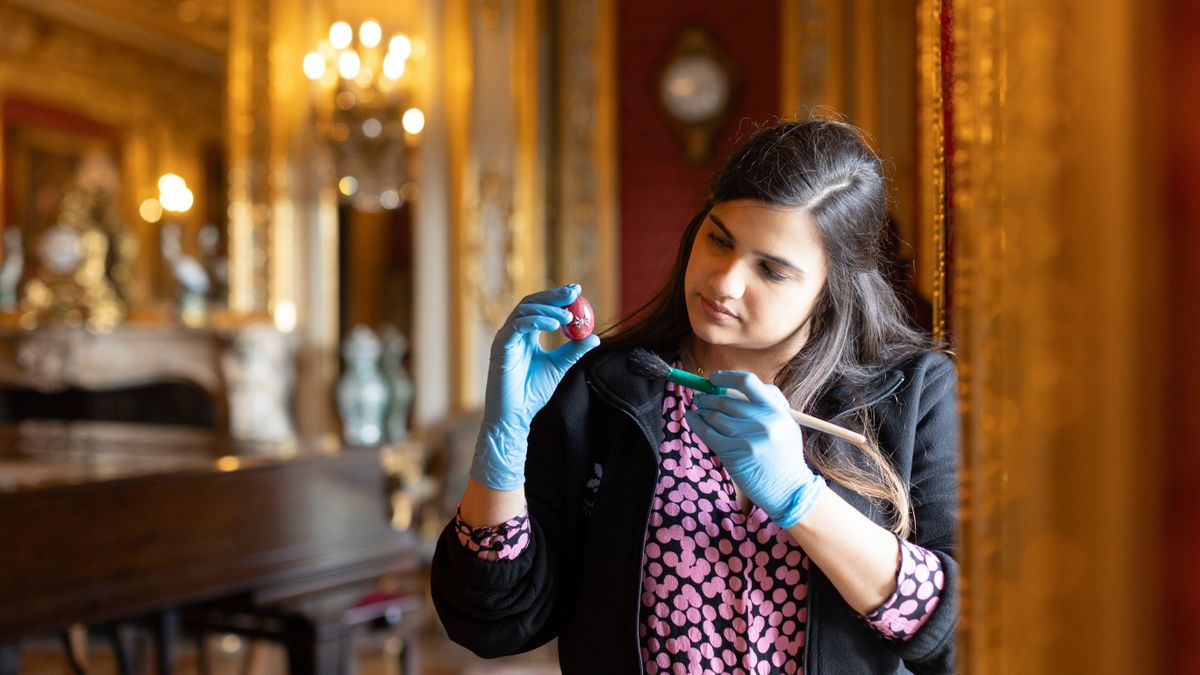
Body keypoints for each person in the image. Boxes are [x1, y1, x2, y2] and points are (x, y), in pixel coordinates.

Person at [431, 118, 959, 674]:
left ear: (833, 290)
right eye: (719, 239)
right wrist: (504, 444)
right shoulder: (609, 390)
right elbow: (494, 623)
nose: (725, 281)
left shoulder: (912, 393)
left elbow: (957, 639)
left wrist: (802, 499)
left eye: (772, 270)